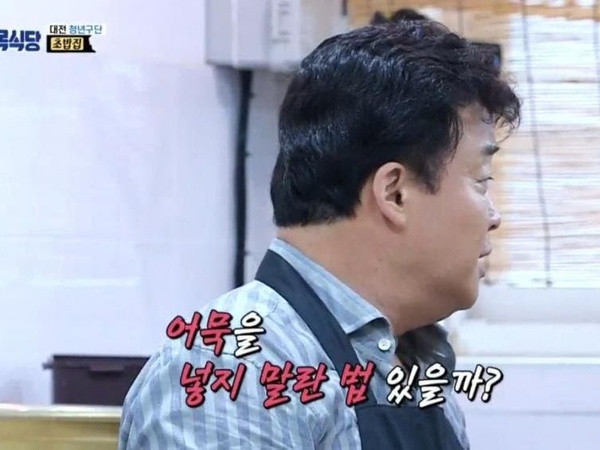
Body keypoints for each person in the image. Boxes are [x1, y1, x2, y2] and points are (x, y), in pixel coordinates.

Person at [119, 17, 520, 450]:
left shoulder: (412, 361)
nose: (494, 217)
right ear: (395, 193)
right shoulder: (234, 370)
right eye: (481, 180)